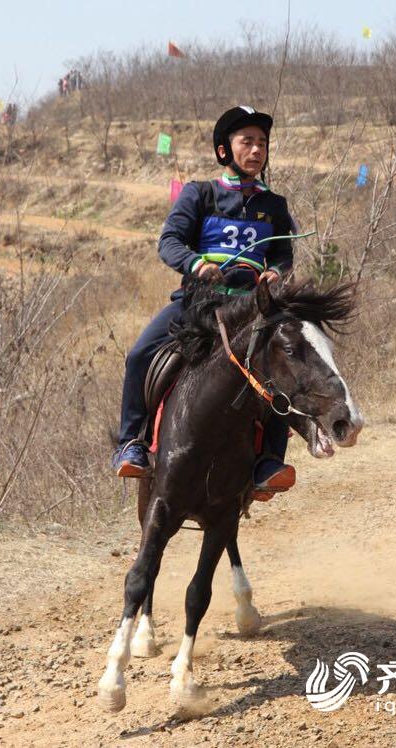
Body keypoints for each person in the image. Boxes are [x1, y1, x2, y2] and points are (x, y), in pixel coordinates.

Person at [112, 106, 296, 496]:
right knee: (139, 354)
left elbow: (283, 254)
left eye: (262, 143)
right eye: (247, 141)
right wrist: (195, 264)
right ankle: (132, 443)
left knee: (285, 363)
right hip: (199, 303)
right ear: (224, 150)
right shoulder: (200, 193)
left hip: (250, 308)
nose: (257, 150)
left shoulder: (275, 205)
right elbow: (169, 242)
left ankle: (269, 462)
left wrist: (276, 272)